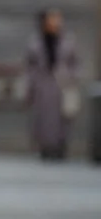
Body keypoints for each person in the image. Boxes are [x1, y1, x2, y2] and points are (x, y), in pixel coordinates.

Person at [26, 8, 80, 161]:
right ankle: (44, 148)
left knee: (62, 119)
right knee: (42, 119)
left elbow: (75, 64)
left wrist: (70, 77)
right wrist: (32, 83)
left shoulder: (68, 41)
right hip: (42, 86)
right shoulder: (35, 42)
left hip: (61, 84)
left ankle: (60, 148)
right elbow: (30, 65)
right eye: (52, 19)